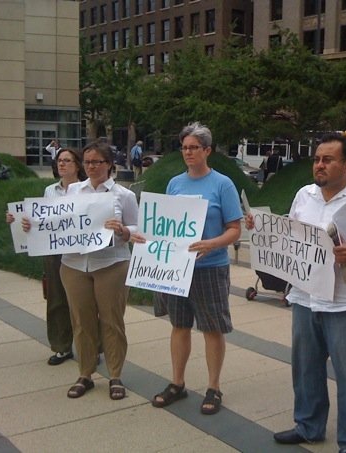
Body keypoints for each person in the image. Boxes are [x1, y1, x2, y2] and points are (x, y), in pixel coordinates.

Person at [251, 133, 346, 452]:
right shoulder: (304, 195)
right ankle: (308, 426)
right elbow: (290, 234)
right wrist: (260, 228)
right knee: (306, 370)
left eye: (327, 160)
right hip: (304, 298)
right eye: (317, 159)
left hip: (344, 304)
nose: (319, 165)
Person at [143, 122, 242, 415]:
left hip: (210, 267)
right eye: (184, 147)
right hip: (177, 267)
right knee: (179, 325)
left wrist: (211, 244)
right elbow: (164, 225)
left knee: (212, 328)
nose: (188, 152)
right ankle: (177, 382)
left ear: (207, 150)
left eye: (194, 148)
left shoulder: (222, 184)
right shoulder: (175, 183)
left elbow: (234, 229)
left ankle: (214, 387)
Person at [59, 141, 138, 400]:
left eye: (97, 162)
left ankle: (115, 375)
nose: (92, 167)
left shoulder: (124, 195)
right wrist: (24, 223)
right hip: (74, 264)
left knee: (112, 321)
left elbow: (137, 230)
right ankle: (85, 373)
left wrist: (124, 231)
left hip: (111, 264)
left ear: (109, 165)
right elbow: (50, 221)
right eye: (88, 162)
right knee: (81, 321)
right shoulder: (72, 191)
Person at [8, 148, 86, 365]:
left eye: (67, 161)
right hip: (54, 252)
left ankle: (91, 348)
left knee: (84, 302)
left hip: (80, 252)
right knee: (56, 299)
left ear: (77, 165)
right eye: (60, 161)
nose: (62, 164)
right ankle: (62, 346)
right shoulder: (49, 191)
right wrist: (18, 221)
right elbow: (39, 220)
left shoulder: (86, 190)